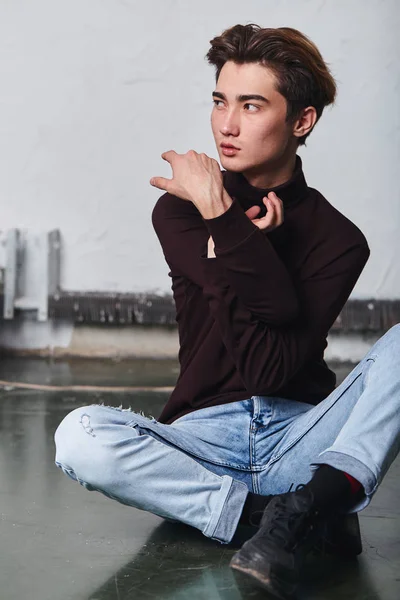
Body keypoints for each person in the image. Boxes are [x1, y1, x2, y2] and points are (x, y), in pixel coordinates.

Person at [54, 24, 400, 599]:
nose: (226, 124)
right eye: (220, 101)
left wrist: (223, 221)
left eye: (251, 104)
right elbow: (270, 306)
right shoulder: (180, 210)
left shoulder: (339, 239)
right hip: (202, 441)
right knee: (80, 436)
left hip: (302, 438)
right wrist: (219, 215)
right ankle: (278, 518)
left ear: (302, 121)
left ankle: (318, 497)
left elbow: (269, 367)